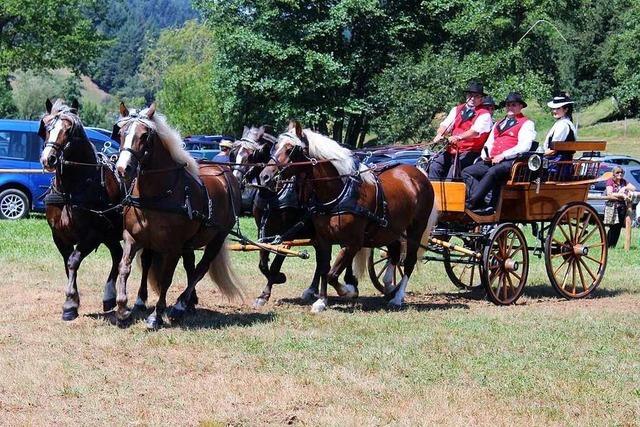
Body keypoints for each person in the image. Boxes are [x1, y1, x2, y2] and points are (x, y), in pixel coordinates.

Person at [462, 92, 536, 214]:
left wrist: (503, 155)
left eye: (513, 105)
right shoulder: (498, 123)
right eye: (508, 105)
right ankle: (483, 200)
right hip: (492, 160)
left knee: (492, 172)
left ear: (520, 107)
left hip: (511, 162)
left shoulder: (527, 123)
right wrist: (485, 156)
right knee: (467, 171)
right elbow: (490, 142)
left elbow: (524, 146)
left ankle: (471, 203)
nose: (510, 108)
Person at [428, 82, 493, 180]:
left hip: (470, 152)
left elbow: (474, 132)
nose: (472, 98)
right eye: (470, 95)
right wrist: (440, 134)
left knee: (453, 172)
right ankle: (434, 193)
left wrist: (458, 137)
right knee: (434, 165)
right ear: (466, 96)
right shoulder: (456, 109)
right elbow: (445, 125)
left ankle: (450, 192)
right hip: (452, 150)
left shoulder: (485, 114)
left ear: (481, 99)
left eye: (476, 96)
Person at [543, 93, 577, 179]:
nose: (554, 111)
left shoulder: (563, 125)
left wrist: (539, 155)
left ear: (566, 109)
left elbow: (553, 150)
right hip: (558, 165)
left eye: (558, 108)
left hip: (558, 167)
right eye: (554, 108)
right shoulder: (562, 123)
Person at [604, 166, 636, 248]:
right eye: (617, 172)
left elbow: (633, 188)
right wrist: (621, 194)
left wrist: (624, 187)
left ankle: (613, 246)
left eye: (621, 172)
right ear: (614, 173)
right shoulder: (610, 181)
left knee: (618, 227)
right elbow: (609, 193)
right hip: (612, 207)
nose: (620, 174)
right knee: (612, 227)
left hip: (621, 207)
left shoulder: (623, 181)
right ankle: (607, 245)